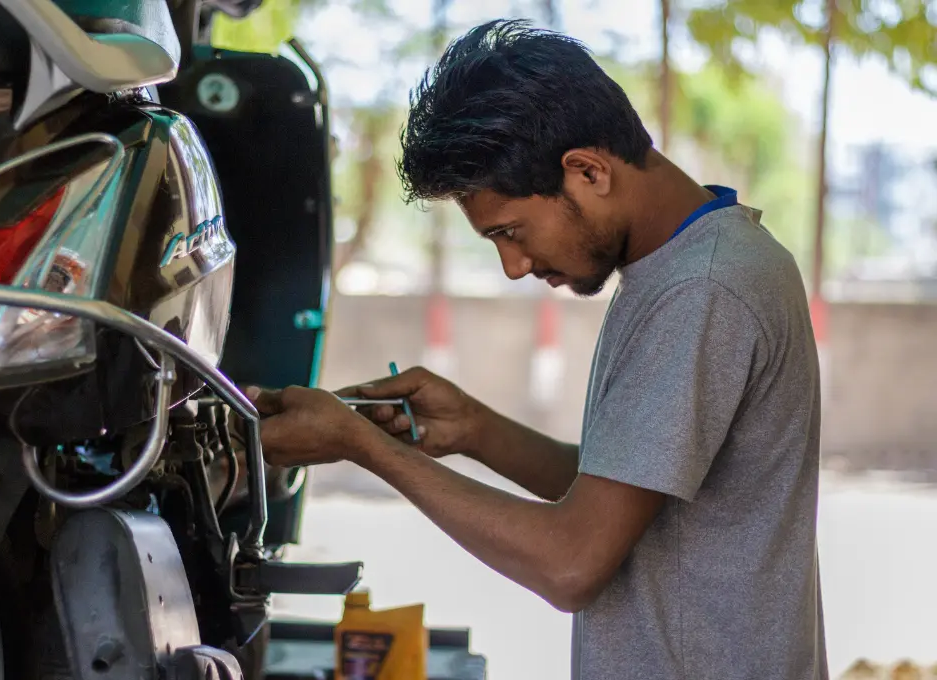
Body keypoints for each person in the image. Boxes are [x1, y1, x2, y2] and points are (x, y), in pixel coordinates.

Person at [252, 19, 828, 680]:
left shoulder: (701, 288)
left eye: (511, 231)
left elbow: (572, 563)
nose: (514, 266)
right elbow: (624, 498)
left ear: (587, 170)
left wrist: (364, 448)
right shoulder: (690, 264)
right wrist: (473, 429)